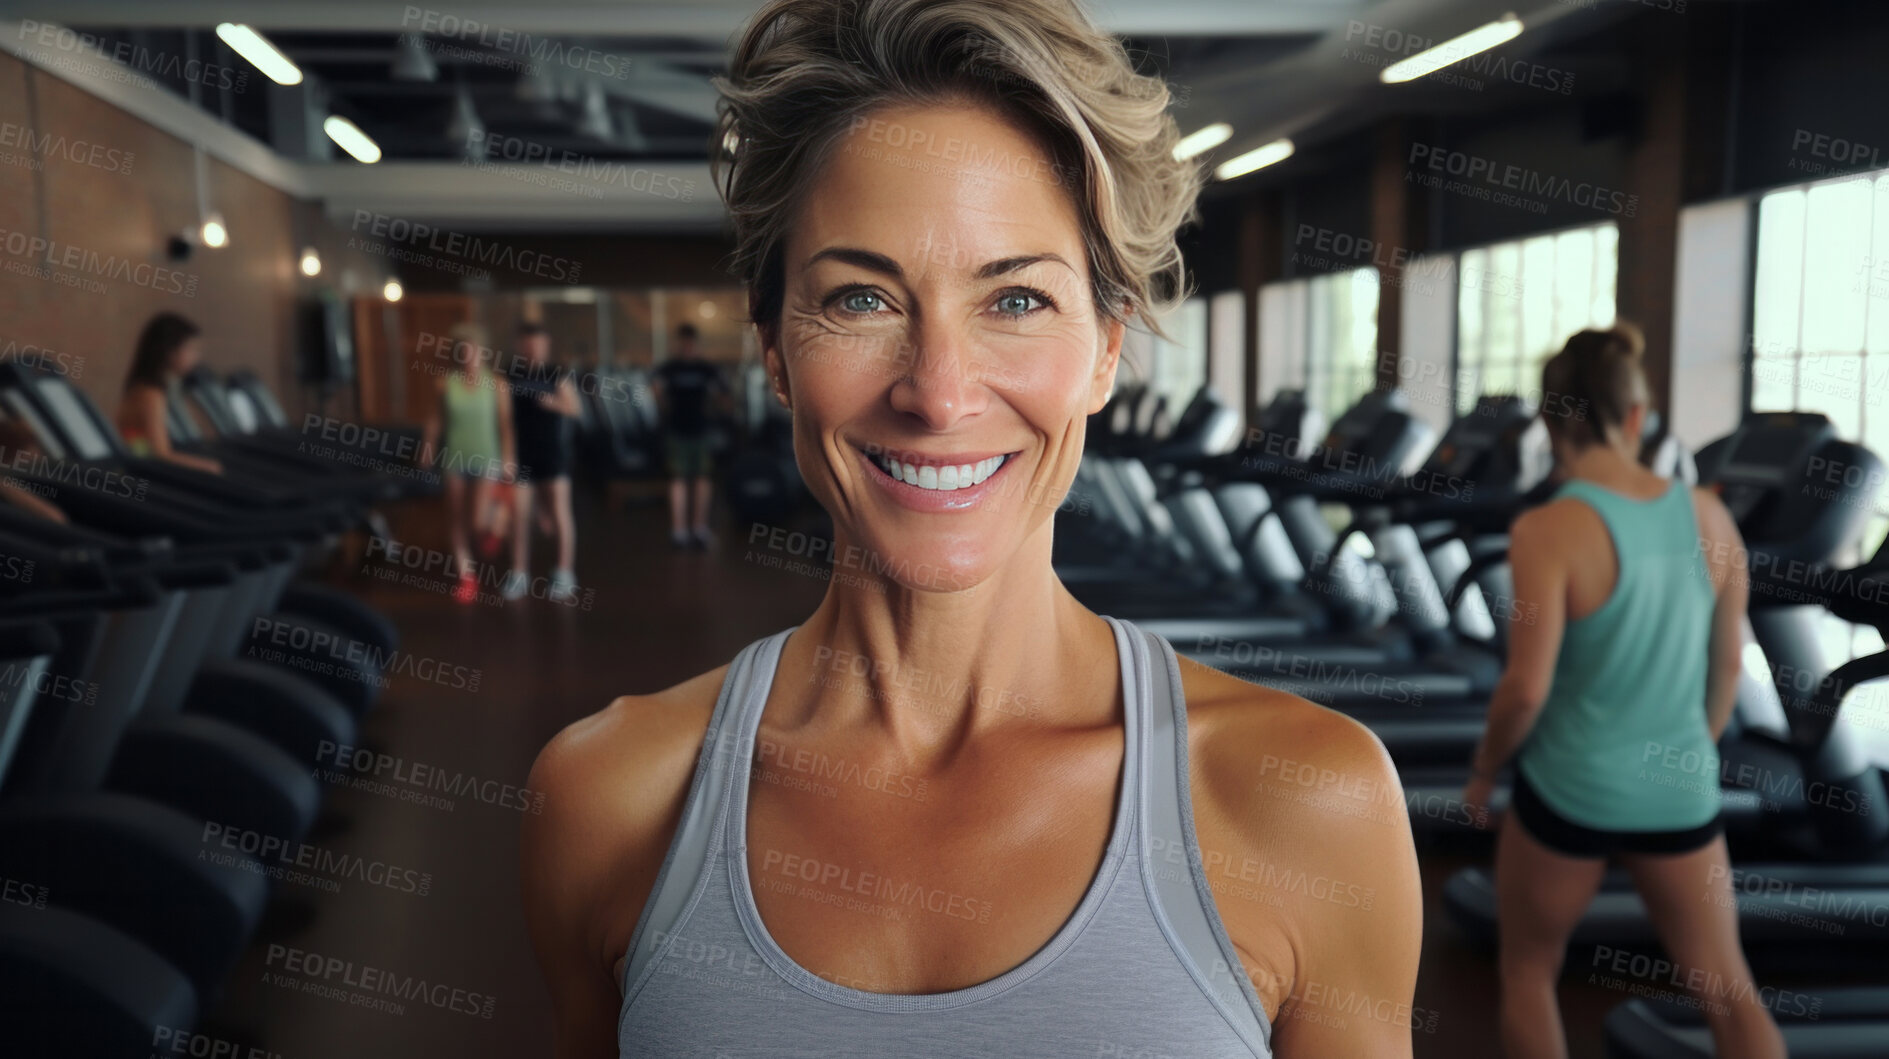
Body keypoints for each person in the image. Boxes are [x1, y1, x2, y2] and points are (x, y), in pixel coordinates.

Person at [520, 2, 1420, 1056]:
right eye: (859, 300)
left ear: (1103, 350)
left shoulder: (1308, 802)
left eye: (1017, 301)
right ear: (772, 350)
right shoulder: (606, 796)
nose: (938, 395)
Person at [1460, 324, 1785, 1059]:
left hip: (1568, 793)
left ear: (1551, 422)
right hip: (1677, 794)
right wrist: (1686, 754)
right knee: (1728, 991)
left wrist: (1482, 774)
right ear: (1637, 416)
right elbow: (1727, 666)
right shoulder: (1708, 516)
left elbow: (1524, 688)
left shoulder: (1545, 529)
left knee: (1528, 971)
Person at [421, 322, 514, 605]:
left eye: (473, 349)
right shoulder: (444, 382)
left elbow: (505, 424)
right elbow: (436, 420)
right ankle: (466, 575)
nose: (468, 354)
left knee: (477, 521)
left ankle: (499, 518)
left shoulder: (496, 383)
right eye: (463, 350)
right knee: (457, 518)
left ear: (482, 352)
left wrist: (509, 457)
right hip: (455, 457)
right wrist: (428, 446)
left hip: (487, 457)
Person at [503, 321, 582, 603]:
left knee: (559, 512)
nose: (532, 349)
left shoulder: (556, 373)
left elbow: (575, 409)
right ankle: (519, 573)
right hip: (522, 454)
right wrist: (507, 455)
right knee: (519, 516)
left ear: (546, 346)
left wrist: (554, 403)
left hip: (553, 453)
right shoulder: (510, 374)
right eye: (527, 344)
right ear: (520, 346)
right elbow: (503, 417)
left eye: (537, 344)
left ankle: (564, 572)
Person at [651, 322, 729, 549]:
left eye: (690, 344)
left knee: (702, 478)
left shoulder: (707, 369)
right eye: (683, 343)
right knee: (677, 479)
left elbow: (724, 395)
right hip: (676, 429)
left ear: (695, 344)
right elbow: (656, 390)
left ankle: (699, 527)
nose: (687, 347)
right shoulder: (670, 368)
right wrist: (663, 405)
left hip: (701, 430)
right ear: (679, 344)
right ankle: (678, 530)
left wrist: (718, 407)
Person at [115, 313, 223, 475]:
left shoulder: (150, 389)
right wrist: (209, 467)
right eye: (191, 349)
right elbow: (160, 454)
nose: (196, 358)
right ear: (169, 351)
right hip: (142, 475)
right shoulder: (150, 395)